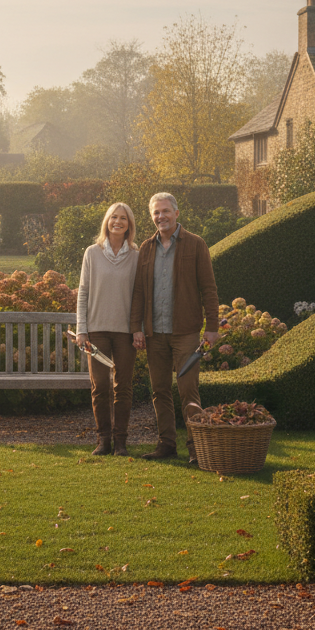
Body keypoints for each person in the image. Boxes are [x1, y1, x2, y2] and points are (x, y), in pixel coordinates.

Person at [129, 193, 220, 464]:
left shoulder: (195, 244)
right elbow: (138, 293)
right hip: (154, 333)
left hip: (186, 332)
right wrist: (136, 328)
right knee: (159, 390)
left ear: (177, 213)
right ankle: (166, 444)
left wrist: (212, 327)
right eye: (156, 213)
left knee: (188, 391)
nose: (161, 217)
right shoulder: (146, 248)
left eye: (166, 211)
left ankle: (195, 448)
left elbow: (209, 288)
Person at [75, 202, 140, 456]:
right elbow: (83, 293)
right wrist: (82, 330)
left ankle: (121, 442)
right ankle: (104, 440)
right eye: (114, 217)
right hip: (97, 331)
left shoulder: (136, 256)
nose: (118, 222)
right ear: (107, 221)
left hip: (125, 332)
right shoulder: (92, 253)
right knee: (99, 386)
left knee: (123, 387)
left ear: (129, 225)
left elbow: (140, 296)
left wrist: (138, 329)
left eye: (123, 218)